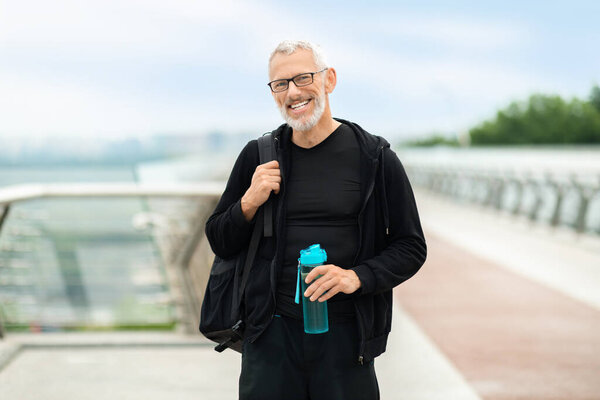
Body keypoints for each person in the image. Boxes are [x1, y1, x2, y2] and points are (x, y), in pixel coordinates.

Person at [205, 40, 427, 400]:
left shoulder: (375, 157)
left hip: (345, 337)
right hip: (270, 336)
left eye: (303, 78)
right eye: (280, 84)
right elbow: (219, 239)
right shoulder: (258, 155)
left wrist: (356, 277)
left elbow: (411, 246)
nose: (292, 92)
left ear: (329, 80)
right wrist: (248, 202)